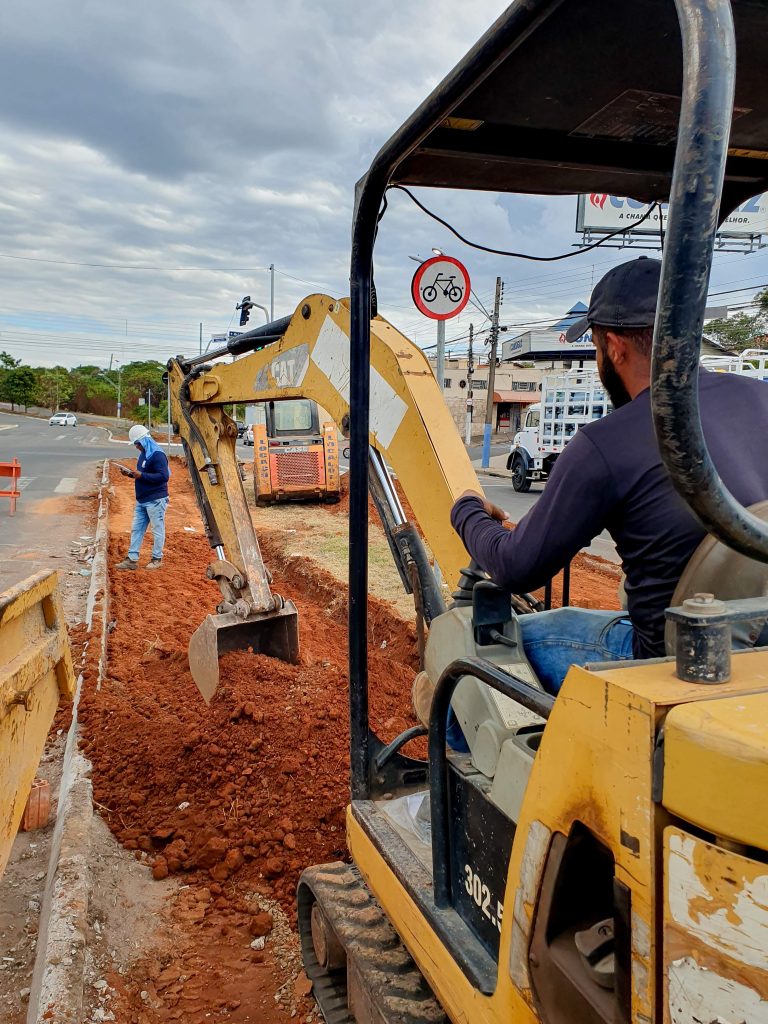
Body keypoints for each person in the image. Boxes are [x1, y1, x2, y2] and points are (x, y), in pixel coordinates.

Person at [450, 256, 768, 695]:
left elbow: (515, 567)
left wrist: (466, 510)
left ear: (615, 347)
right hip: (756, 651)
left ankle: (448, 744)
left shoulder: (607, 444)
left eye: (597, 347)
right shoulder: (761, 397)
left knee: (472, 647)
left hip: (667, 669)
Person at [115, 424, 170, 571]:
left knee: (157, 530)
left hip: (155, 500)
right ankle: (132, 559)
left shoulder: (157, 455)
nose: (136, 447)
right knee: (136, 529)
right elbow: (143, 475)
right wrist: (130, 474)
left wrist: (142, 475)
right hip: (142, 500)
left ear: (144, 441)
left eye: (137, 444)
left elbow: (164, 476)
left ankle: (156, 559)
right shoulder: (144, 454)